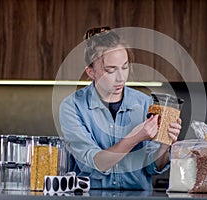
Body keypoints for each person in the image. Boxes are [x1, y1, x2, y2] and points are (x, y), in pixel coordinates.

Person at [59, 26, 182, 190]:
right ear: (91, 72)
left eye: (125, 67)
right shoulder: (72, 107)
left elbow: (153, 167)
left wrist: (165, 145)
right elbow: (96, 162)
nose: (121, 78)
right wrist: (134, 138)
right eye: (110, 70)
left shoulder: (145, 103)